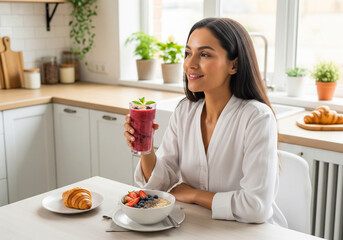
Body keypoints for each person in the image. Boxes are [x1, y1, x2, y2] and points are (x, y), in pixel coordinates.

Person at [124, 17, 287, 227]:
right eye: (188, 53)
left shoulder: (257, 118)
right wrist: (145, 147)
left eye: (205, 54)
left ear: (234, 65)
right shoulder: (185, 111)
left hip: (249, 231)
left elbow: (256, 207)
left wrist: (194, 195)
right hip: (197, 224)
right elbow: (161, 186)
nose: (190, 64)